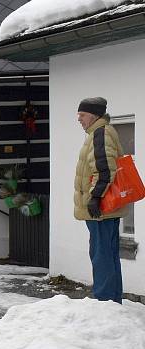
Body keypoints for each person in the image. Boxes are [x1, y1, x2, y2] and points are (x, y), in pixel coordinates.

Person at [75, 96, 125, 304]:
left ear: (94, 115)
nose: (79, 119)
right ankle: (112, 300)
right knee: (109, 253)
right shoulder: (100, 132)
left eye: (82, 114)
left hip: (101, 208)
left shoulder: (101, 133)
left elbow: (104, 170)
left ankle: (105, 301)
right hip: (107, 207)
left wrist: (95, 198)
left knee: (101, 254)